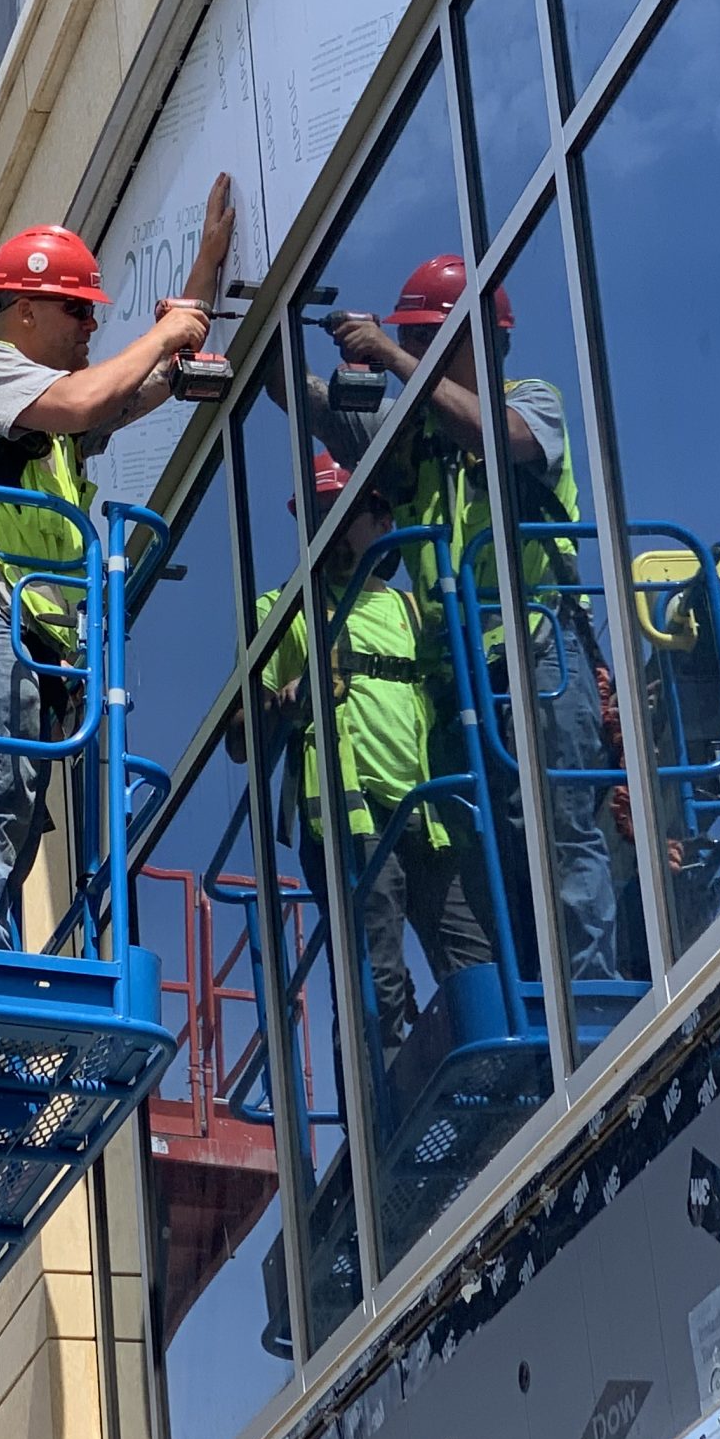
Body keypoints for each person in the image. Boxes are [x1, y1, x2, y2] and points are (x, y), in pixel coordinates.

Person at [0, 175, 236, 950]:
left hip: (25, 636)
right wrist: (161, 334)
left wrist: (198, 289)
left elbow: (133, 390)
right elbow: (92, 399)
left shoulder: (46, 422)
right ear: (23, 310)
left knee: (12, 807)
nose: (90, 325)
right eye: (77, 310)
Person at [309, 253, 618, 984]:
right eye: (407, 343)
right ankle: (534, 1004)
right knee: (483, 857)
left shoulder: (529, 401)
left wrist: (384, 352)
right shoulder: (412, 441)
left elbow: (503, 439)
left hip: (536, 656)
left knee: (559, 832)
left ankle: (593, 1003)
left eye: (422, 341)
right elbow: (320, 411)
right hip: (459, 686)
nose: (410, 355)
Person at [253, 451, 488, 1055]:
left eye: (343, 511)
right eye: (319, 513)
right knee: (375, 985)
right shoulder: (288, 610)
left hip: (430, 815)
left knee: (474, 964)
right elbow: (236, 738)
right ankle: (378, 1124)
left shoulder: (414, 611)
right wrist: (285, 703)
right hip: (348, 820)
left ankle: (496, 1090)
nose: (327, 526)